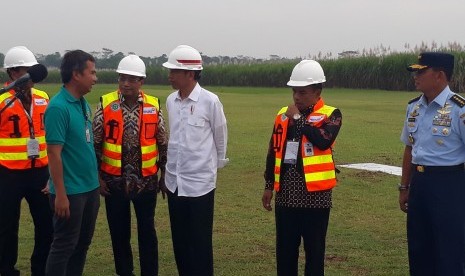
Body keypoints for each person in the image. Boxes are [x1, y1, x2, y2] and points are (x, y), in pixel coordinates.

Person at [262, 60, 342, 276]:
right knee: (285, 252)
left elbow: (323, 140)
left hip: (316, 198)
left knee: (314, 254)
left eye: (303, 92)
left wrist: (298, 119)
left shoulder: (331, 114)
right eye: (294, 91)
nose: (297, 97)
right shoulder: (282, 115)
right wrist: (269, 185)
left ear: (317, 92)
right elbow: (273, 151)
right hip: (286, 196)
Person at [93, 54, 167, 276]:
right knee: (119, 234)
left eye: (131, 79)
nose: (126, 83)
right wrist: (97, 177)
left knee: (147, 233)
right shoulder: (106, 104)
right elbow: (95, 143)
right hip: (113, 183)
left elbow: (162, 143)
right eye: (122, 78)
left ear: (141, 81)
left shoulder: (154, 106)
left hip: (146, 183)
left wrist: (164, 176)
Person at [162, 45, 228, 276]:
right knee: (180, 241)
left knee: (200, 242)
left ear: (190, 74)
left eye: (174, 71)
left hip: (200, 184)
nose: (169, 76)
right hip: (174, 183)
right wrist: (168, 174)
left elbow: (220, 137)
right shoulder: (171, 100)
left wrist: (213, 169)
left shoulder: (210, 101)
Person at [399, 52, 465, 275]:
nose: (415, 76)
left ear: (439, 75)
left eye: (421, 71)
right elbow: (409, 148)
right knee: (419, 247)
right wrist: (404, 186)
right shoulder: (414, 108)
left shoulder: (460, 110)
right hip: (420, 184)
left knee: (449, 250)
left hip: (449, 185)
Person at [44, 50, 100, 276]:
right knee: (64, 245)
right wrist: (60, 193)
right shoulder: (58, 107)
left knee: (82, 245)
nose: (95, 78)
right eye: (92, 72)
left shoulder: (83, 103)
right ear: (76, 74)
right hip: (71, 192)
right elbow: (54, 154)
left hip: (90, 189)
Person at [0, 46, 53, 276]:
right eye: (26, 70)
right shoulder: (3, 100)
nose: (32, 75)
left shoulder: (43, 98)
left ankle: (40, 269)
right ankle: (6, 269)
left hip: (40, 172)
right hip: (7, 173)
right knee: (6, 226)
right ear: (13, 73)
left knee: (46, 225)